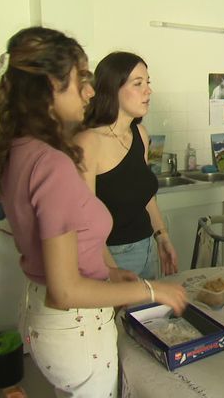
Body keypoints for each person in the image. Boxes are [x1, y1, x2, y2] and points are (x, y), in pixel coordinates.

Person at [0, 27, 187, 397]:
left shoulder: (20, 149)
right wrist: (151, 290)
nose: (90, 90)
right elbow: (64, 291)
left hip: (48, 319)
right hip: (75, 325)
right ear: (52, 84)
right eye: (81, 78)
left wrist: (113, 271)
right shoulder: (56, 161)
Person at [75, 51, 177, 280]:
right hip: (111, 256)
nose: (148, 91)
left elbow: (144, 193)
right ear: (112, 88)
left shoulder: (140, 134)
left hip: (147, 247)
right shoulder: (89, 143)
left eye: (148, 83)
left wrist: (162, 236)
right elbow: (84, 222)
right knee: (120, 317)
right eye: (138, 83)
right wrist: (112, 270)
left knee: (149, 317)